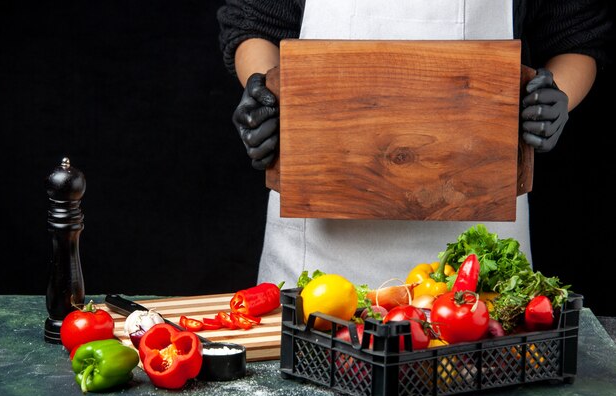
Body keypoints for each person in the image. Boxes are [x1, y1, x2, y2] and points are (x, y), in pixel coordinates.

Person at [217, 0, 612, 289]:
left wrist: (554, 98)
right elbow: (254, 21)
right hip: (319, 253)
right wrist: (266, 94)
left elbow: (576, 34)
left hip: (475, 252)